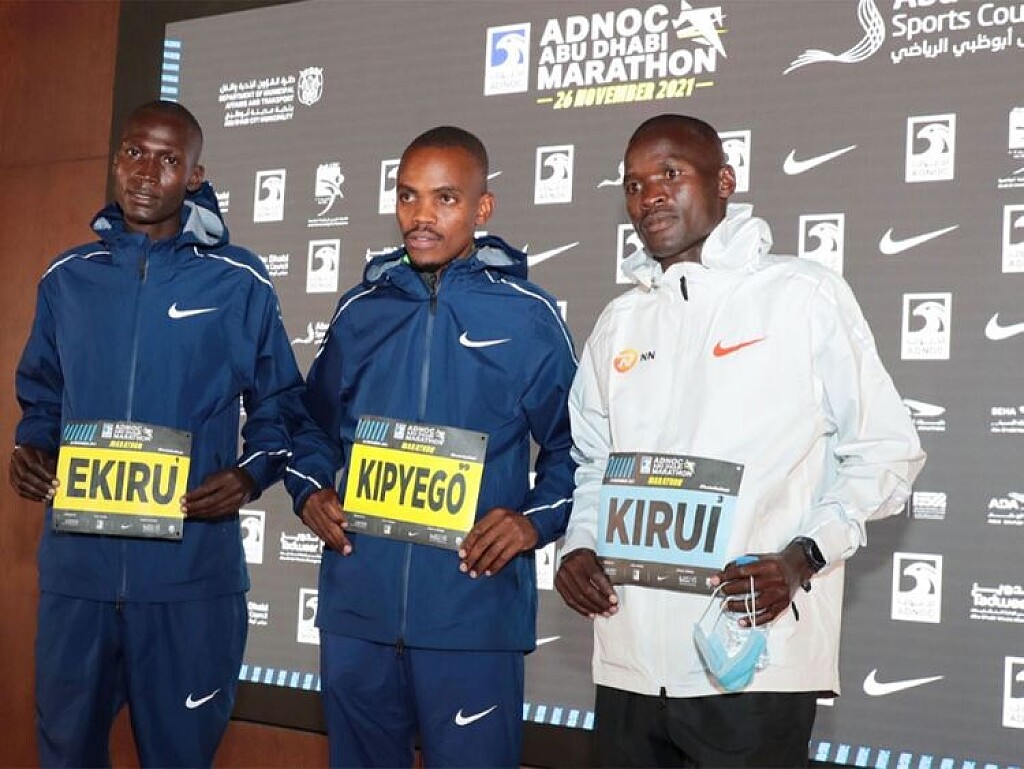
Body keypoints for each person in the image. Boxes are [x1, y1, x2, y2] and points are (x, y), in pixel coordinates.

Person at [554, 114, 925, 767]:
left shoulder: (801, 296)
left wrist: (804, 556)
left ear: (723, 181)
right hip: (630, 667)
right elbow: (594, 464)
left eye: (670, 174)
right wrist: (579, 543)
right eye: (635, 185)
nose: (650, 196)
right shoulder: (621, 320)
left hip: (752, 665)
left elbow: (886, 451)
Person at [9, 100, 305, 768]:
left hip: (190, 577)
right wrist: (31, 446)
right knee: (64, 755)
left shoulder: (238, 280)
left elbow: (280, 402)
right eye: (134, 152)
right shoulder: (67, 279)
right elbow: (43, 394)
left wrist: (251, 473)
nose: (146, 172)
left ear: (195, 176)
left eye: (168, 159)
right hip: (79, 576)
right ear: (117, 160)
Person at [284, 126, 577, 768]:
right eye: (407, 196)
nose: (421, 216)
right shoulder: (360, 310)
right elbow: (309, 425)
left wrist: (533, 521)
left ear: (482, 208)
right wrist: (310, 491)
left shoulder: (528, 315)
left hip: (473, 617)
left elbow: (575, 448)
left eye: (445, 198)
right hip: (358, 613)